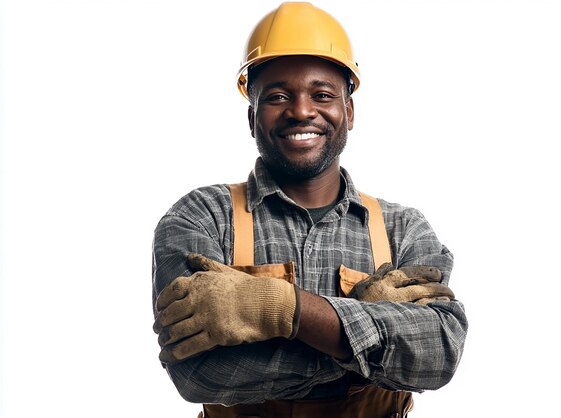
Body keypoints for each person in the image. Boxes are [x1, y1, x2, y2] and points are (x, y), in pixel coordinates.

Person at [152, 2, 468, 417]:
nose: (301, 111)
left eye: (321, 94)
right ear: (252, 117)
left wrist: (285, 309)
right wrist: (367, 333)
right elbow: (197, 372)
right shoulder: (202, 217)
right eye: (278, 96)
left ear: (348, 111)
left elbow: (438, 353)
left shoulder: (402, 229)